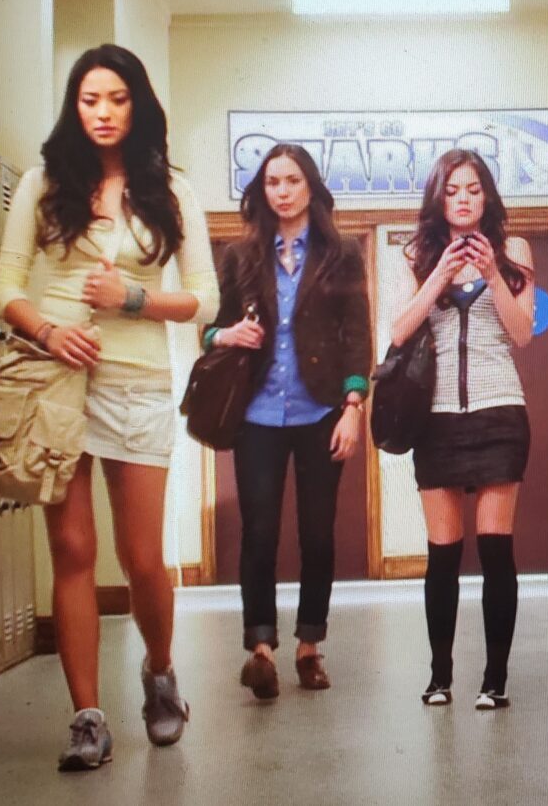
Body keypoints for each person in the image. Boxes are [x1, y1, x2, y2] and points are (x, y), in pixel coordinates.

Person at [0, 44, 219, 769]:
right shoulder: (42, 184)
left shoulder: (171, 191)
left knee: (143, 557)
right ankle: (87, 717)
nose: (103, 113)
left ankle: (159, 673)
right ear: (74, 105)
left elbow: (205, 300)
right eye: (90, 100)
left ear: (138, 105)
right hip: (56, 383)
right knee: (73, 551)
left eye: (117, 99)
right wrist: (48, 329)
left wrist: (134, 298)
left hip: (137, 384)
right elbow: (4, 285)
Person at [204, 143, 371, 701]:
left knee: (318, 535)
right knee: (259, 532)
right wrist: (227, 335)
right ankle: (261, 650)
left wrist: (354, 406)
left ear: (310, 187)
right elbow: (212, 329)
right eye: (272, 181)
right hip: (256, 413)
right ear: (262, 190)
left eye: (292, 180)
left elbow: (357, 335)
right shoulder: (239, 255)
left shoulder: (341, 253)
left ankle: (309, 646)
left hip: (321, 410)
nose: (281, 190)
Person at [391, 149, 535, 710]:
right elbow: (399, 332)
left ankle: (495, 678)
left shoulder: (515, 250)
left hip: (500, 410)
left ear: (487, 196)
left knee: (496, 550)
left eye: (473, 189)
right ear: (438, 199)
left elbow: (522, 333)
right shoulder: (416, 254)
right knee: (443, 553)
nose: (464, 199)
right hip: (437, 416)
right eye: (452, 190)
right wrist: (438, 277)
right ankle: (440, 675)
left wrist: (494, 271)